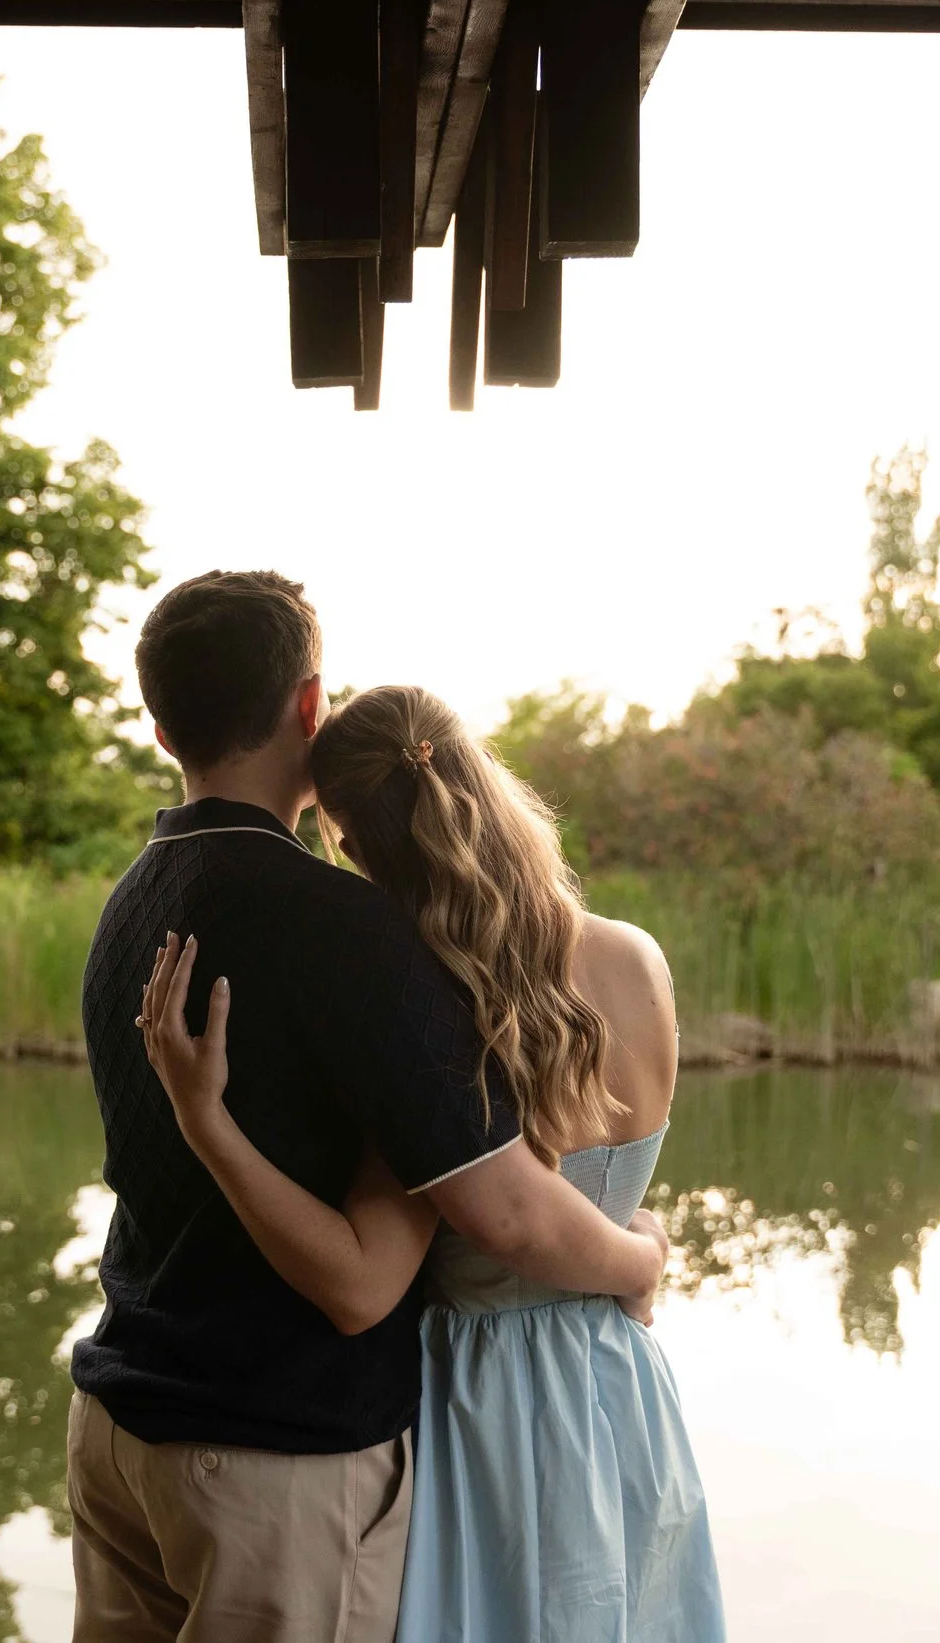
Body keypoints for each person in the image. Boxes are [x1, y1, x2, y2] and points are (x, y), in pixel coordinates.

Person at [69, 572, 670, 1643]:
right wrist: (639, 1260)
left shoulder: (134, 897)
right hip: (266, 1458)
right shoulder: (346, 930)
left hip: (118, 1424)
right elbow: (497, 1219)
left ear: (161, 728)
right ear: (309, 706)